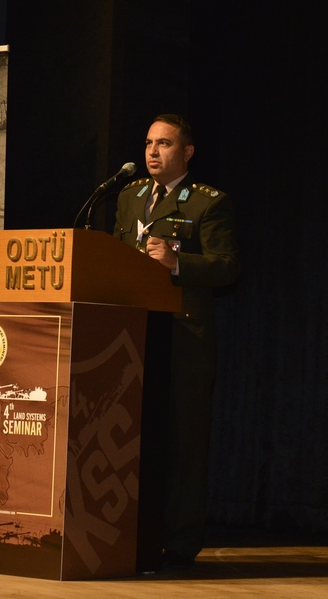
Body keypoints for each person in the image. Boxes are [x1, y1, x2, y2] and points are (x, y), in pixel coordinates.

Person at [113, 113, 240, 568]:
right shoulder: (129, 197)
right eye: (149, 143)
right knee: (129, 438)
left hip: (184, 338)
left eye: (164, 144)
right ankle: (129, 534)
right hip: (133, 337)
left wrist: (177, 263)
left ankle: (180, 542)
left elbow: (227, 266)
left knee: (183, 442)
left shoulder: (208, 203)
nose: (152, 152)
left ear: (186, 152)